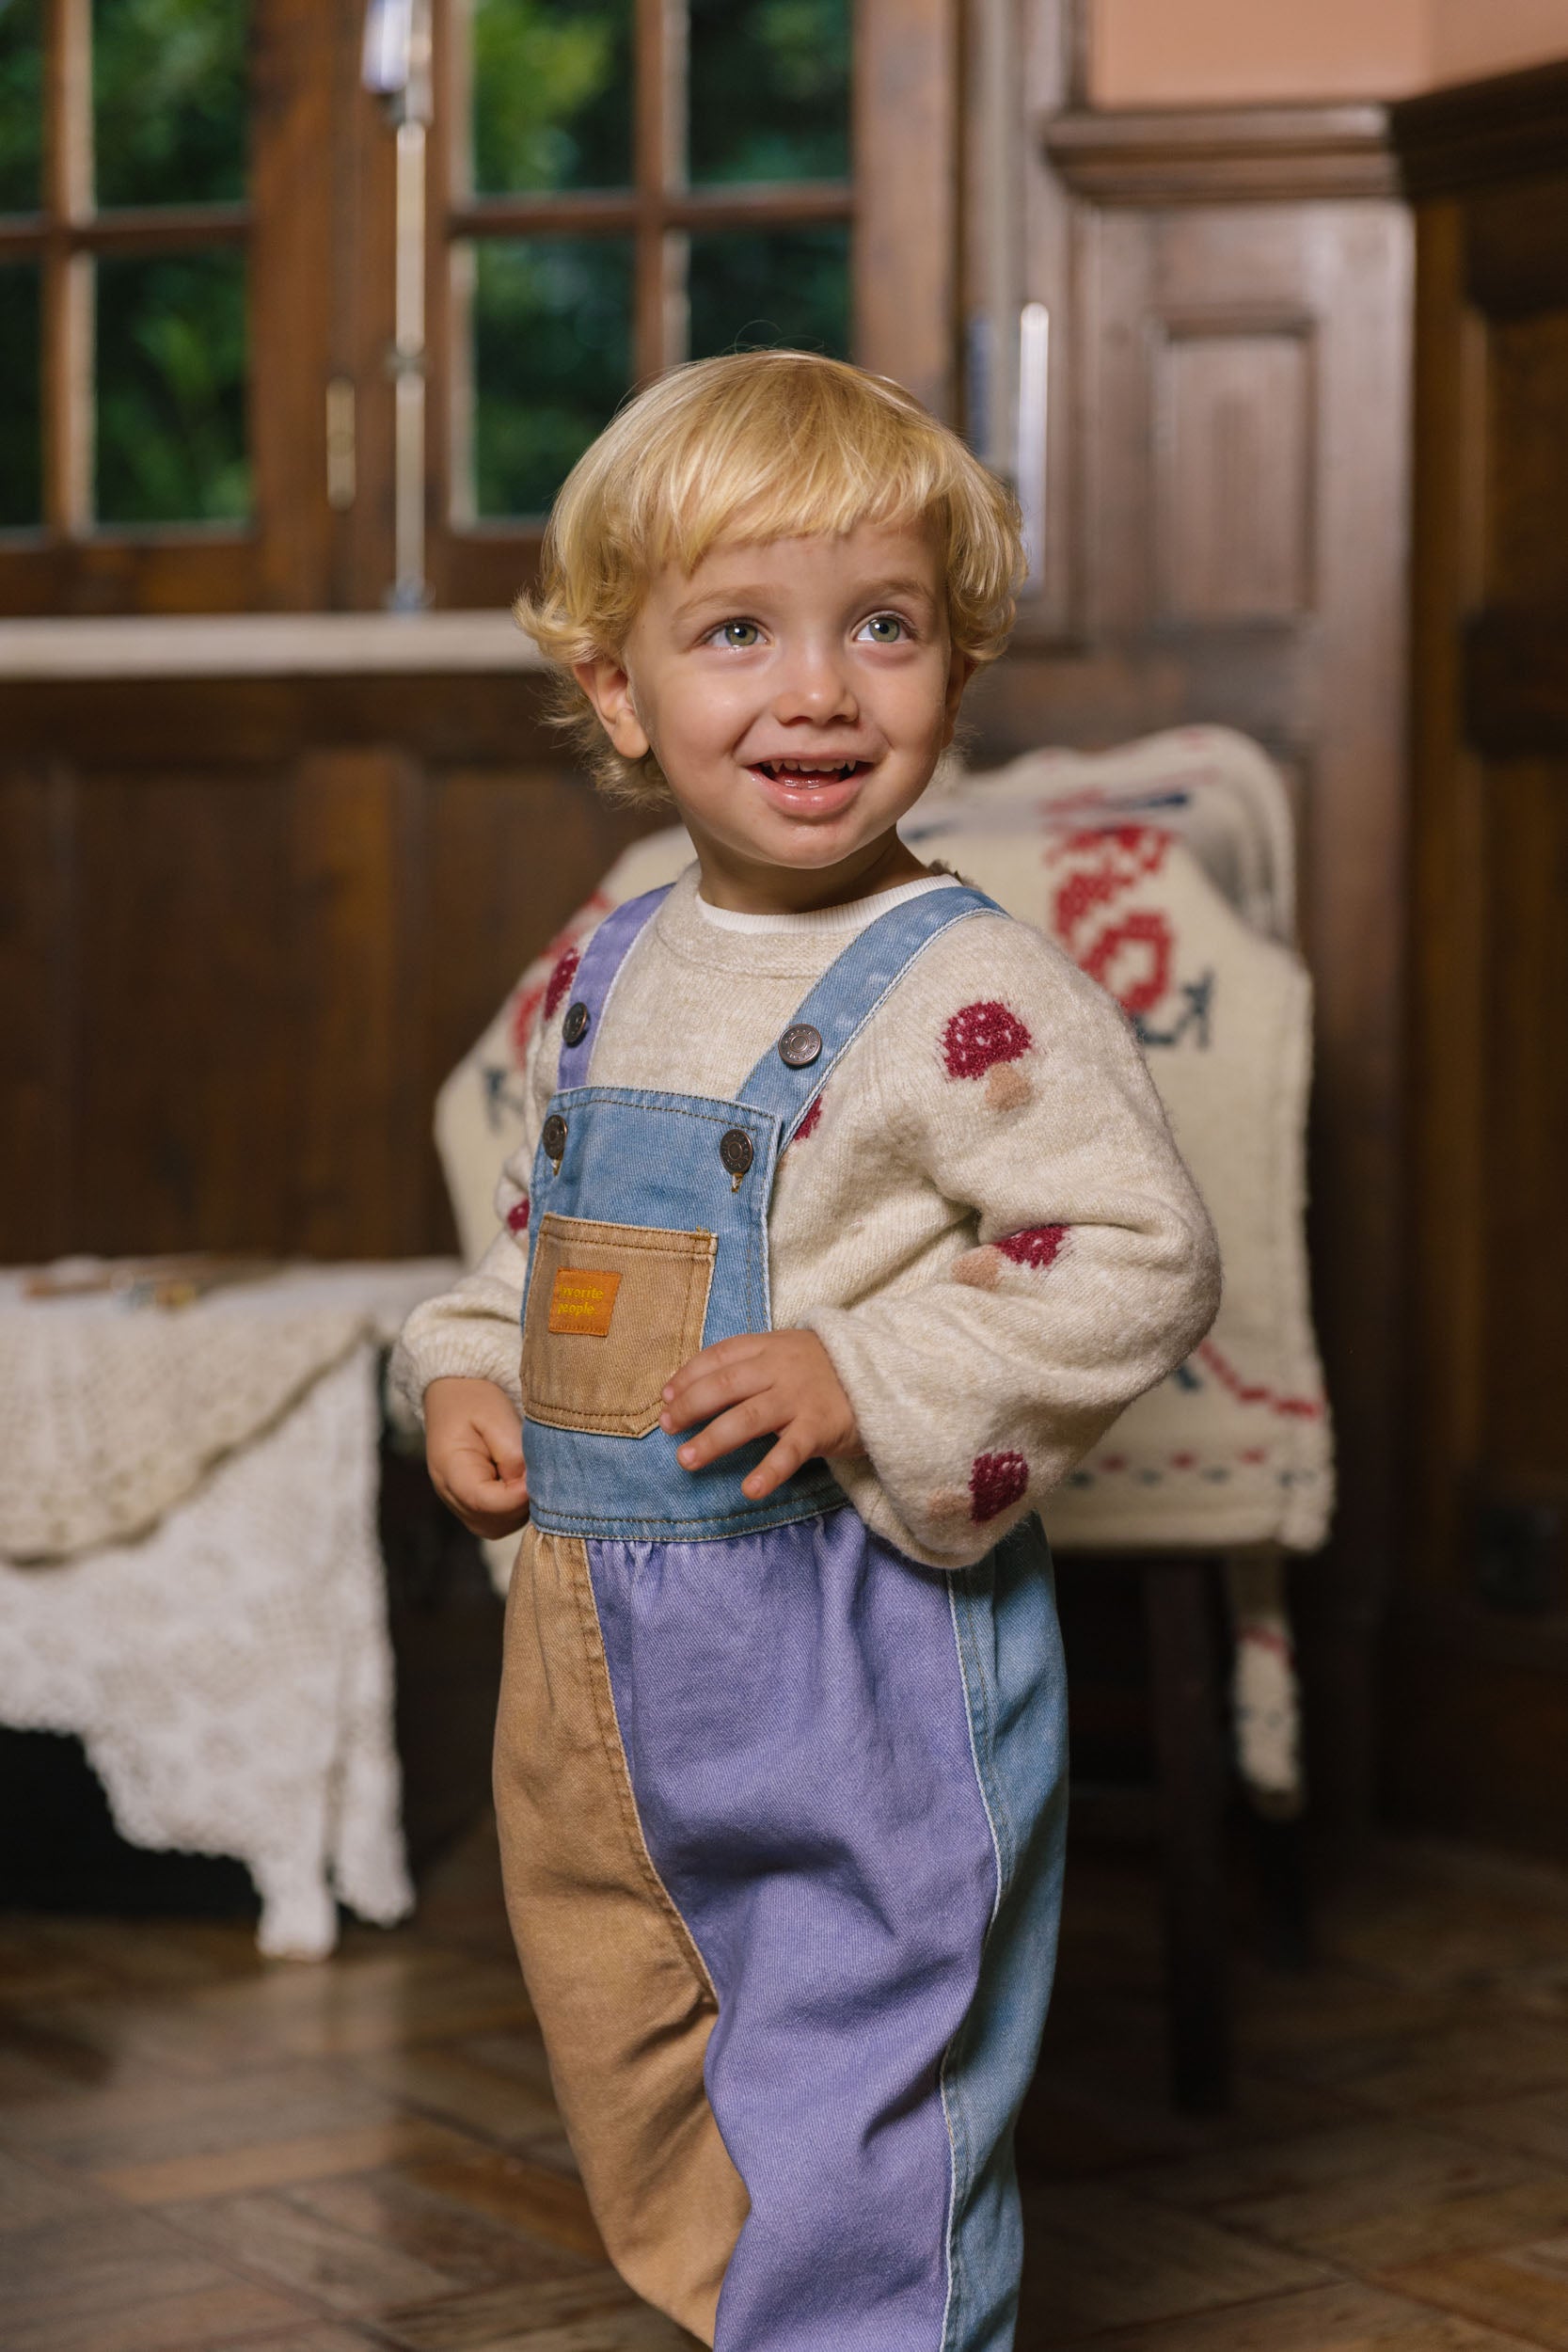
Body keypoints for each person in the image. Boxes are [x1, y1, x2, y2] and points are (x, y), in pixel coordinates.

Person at [392, 349, 1220, 2352]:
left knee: (862, 2120)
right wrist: (465, 1369)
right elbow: (545, 1247)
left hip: (859, 1651)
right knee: (658, 2085)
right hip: (595, 1670)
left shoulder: (967, 985)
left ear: (959, 662)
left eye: (884, 627)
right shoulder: (608, 965)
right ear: (617, 688)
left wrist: (870, 1370)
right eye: (739, 631)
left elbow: (1138, 1252)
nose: (821, 689)